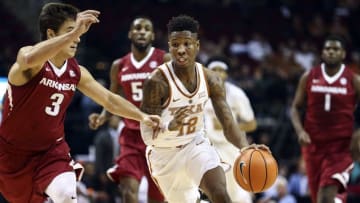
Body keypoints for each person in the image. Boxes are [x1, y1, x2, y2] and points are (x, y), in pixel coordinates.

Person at [0, 3, 160, 203]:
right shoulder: (29, 60)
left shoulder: (77, 72)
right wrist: (75, 29)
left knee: (67, 194)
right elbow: (29, 58)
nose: (77, 38)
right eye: (70, 31)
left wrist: (142, 116)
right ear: (51, 34)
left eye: (78, 32)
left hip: (51, 151)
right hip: (12, 154)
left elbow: (110, 99)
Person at [139, 14, 267, 203]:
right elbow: (147, 135)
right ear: (169, 46)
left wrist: (245, 148)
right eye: (175, 45)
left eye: (187, 44)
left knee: (220, 193)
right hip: (165, 154)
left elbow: (228, 123)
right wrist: (170, 126)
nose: (181, 50)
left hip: (195, 145)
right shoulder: (156, 82)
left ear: (197, 46)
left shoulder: (211, 79)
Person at [88, 17, 169, 203]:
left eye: (147, 28)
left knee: (157, 197)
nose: (142, 31)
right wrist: (102, 117)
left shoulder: (164, 59)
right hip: (131, 136)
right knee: (128, 191)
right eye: (137, 28)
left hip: (158, 137)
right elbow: (112, 99)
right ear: (130, 34)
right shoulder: (119, 65)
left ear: (153, 35)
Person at [290, 35, 360, 203]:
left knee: (325, 197)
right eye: (327, 49)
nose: (331, 52)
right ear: (322, 53)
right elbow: (295, 108)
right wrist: (300, 131)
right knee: (318, 198)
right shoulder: (309, 76)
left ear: (343, 54)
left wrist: (358, 133)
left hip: (340, 147)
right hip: (313, 145)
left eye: (335, 49)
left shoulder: (353, 79)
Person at [203, 56, 257, 203]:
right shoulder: (198, 93)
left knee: (238, 193)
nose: (218, 73)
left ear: (226, 74)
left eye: (222, 70)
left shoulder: (237, 94)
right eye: (214, 70)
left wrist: (229, 125)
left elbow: (252, 124)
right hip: (207, 148)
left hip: (232, 147)